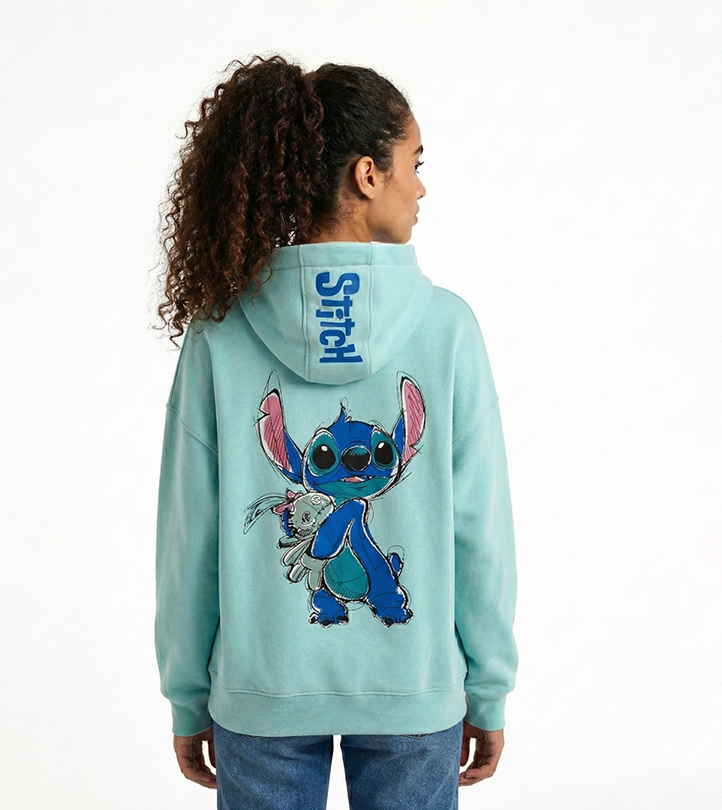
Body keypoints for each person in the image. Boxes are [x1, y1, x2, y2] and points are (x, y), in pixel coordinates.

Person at [154, 54, 518, 810]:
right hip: (414, 686)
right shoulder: (447, 329)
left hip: (261, 690)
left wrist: (188, 693)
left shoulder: (219, 334)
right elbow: (478, 531)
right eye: (415, 163)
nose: (421, 186)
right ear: (368, 174)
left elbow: (190, 537)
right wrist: (487, 685)